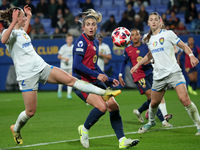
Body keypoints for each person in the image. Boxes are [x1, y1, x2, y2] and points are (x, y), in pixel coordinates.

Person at [0, 5, 121, 145]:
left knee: (70, 79)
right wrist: (14, 21)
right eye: (23, 16)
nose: (25, 18)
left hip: (42, 67)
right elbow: (3, 40)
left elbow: (21, 29)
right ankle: (15, 128)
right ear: (15, 18)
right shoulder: (8, 34)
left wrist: (29, 17)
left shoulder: (20, 31)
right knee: (30, 111)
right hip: (27, 76)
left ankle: (104, 92)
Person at [72, 9, 139, 149]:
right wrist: (97, 76)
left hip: (93, 80)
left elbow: (94, 65)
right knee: (102, 107)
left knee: (114, 106)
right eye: (88, 24)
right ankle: (84, 130)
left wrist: (108, 79)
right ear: (83, 27)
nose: (90, 27)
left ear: (97, 27)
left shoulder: (96, 42)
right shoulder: (81, 42)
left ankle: (122, 141)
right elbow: (77, 65)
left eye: (93, 24)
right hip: (81, 82)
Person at [130, 12, 200, 135]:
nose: (153, 21)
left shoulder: (168, 34)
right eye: (150, 19)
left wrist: (192, 56)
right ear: (148, 23)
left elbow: (183, 46)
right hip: (158, 75)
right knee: (154, 102)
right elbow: (150, 54)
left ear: (160, 22)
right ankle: (151, 122)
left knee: (184, 99)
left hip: (174, 72)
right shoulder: (147, 38)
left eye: (155, 19)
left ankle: (199, 125)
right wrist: (137, 65)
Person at [119, 29, 173, 127]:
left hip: (150, 73)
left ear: (140, 36)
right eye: (133, 35)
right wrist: (120, 75)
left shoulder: (147, 46)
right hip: (138, 76)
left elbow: (154, 57)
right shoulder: (128, 49)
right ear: (130, 37)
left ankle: (139, 111)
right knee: (152, 97)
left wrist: (151, 61)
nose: (135, 36)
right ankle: (164, 121)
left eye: (137, 34)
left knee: (156, 97)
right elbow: (124, 62)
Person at [57, 33, 74, 99]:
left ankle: (69, 94)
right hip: (64, 66)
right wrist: (64, 59)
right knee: (61, 80)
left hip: (70, 66)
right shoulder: (63, 47)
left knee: (70, 79)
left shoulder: (73, 47)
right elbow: (59, 56)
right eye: (69, 39)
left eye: (71, 39)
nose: (70, 40)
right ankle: (59, 91)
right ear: (66, 40)